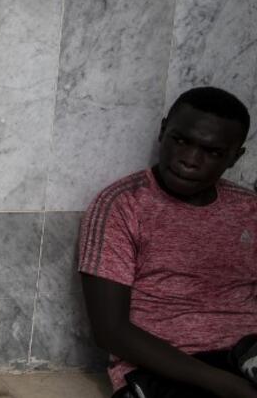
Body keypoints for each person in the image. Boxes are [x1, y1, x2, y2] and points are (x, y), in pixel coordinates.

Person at [79, 87, 257, 398]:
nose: (189, 160)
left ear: (234, 156)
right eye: (180, 140)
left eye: (212, 152)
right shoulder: (122, 205)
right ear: (163, 132)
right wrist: (227, 386)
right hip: (165, 368)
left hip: (246, 354)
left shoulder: (248, 208)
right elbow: (110, 330)